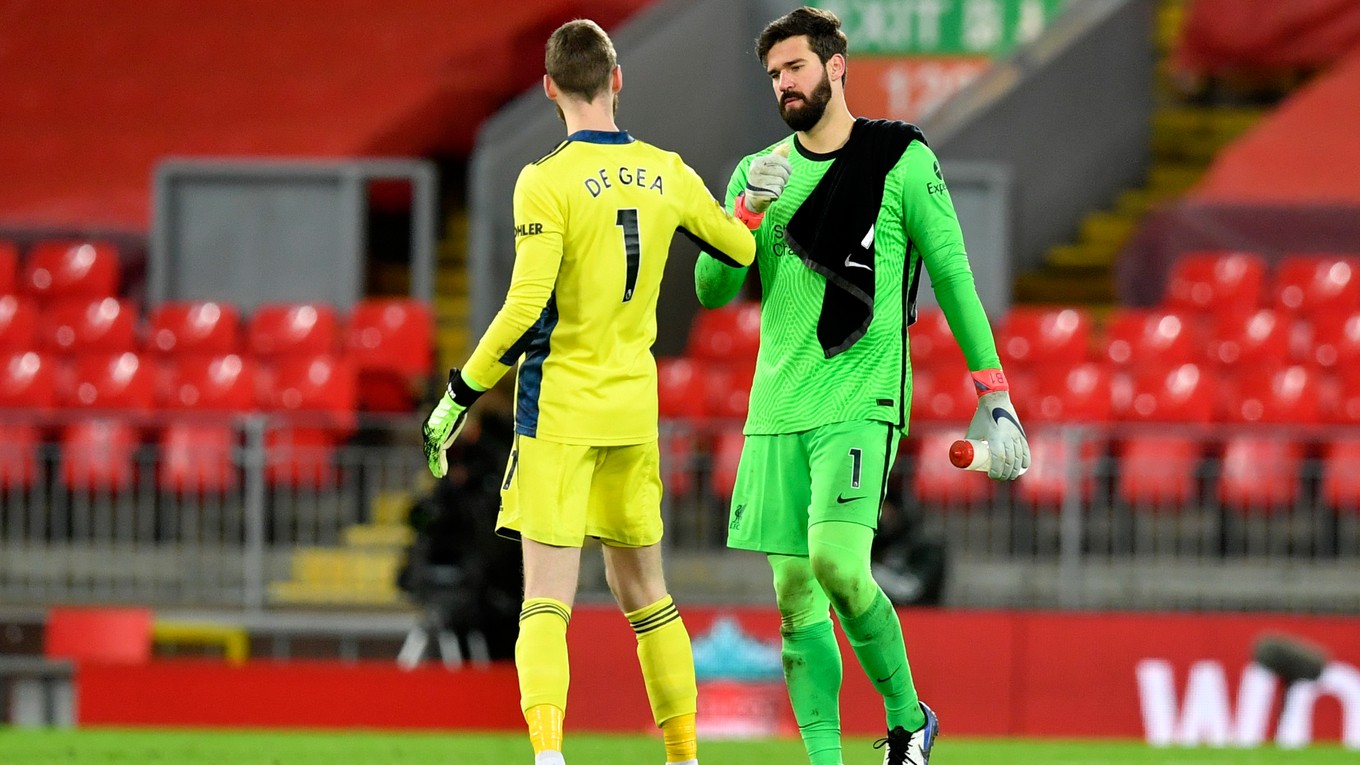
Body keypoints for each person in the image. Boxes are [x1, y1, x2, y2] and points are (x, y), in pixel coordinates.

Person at [421, 19, 781, 765]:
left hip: (558, 408)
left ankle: (550, 756)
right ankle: (683, 755)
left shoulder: (544, 180)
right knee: (650, 595)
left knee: (546, 599)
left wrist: (458, 394)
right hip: (631, 409)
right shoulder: (668, 171)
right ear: (618, 80)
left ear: (550, 88)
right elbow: (741, 250)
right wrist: (748, 202)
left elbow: (525, 308)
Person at [694, 7, 1030, 765]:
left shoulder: (900, 158)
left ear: (835, 64)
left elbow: (954, 276)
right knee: (792, 597)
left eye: (796, 68)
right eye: (774, 74)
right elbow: (712, 288)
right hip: (776, 406)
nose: (784, 84)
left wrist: (996, 395)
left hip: (858, 395)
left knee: (839, 567)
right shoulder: (757, 171)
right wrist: (745, 212)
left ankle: (910, 720)